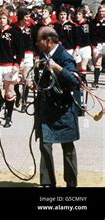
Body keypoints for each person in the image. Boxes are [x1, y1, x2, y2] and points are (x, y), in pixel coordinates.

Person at [34, 27, 81, 187]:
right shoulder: (44, 55)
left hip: (64, 111)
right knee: (45, 146)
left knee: (68, 148)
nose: (36, 43)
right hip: (46, 111)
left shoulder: (64, 56)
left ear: (48, 41)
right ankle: (47, 184)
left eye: (39, 40)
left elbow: (76, 81)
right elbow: (41, 79)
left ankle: (71, 184)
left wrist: (58, 69)